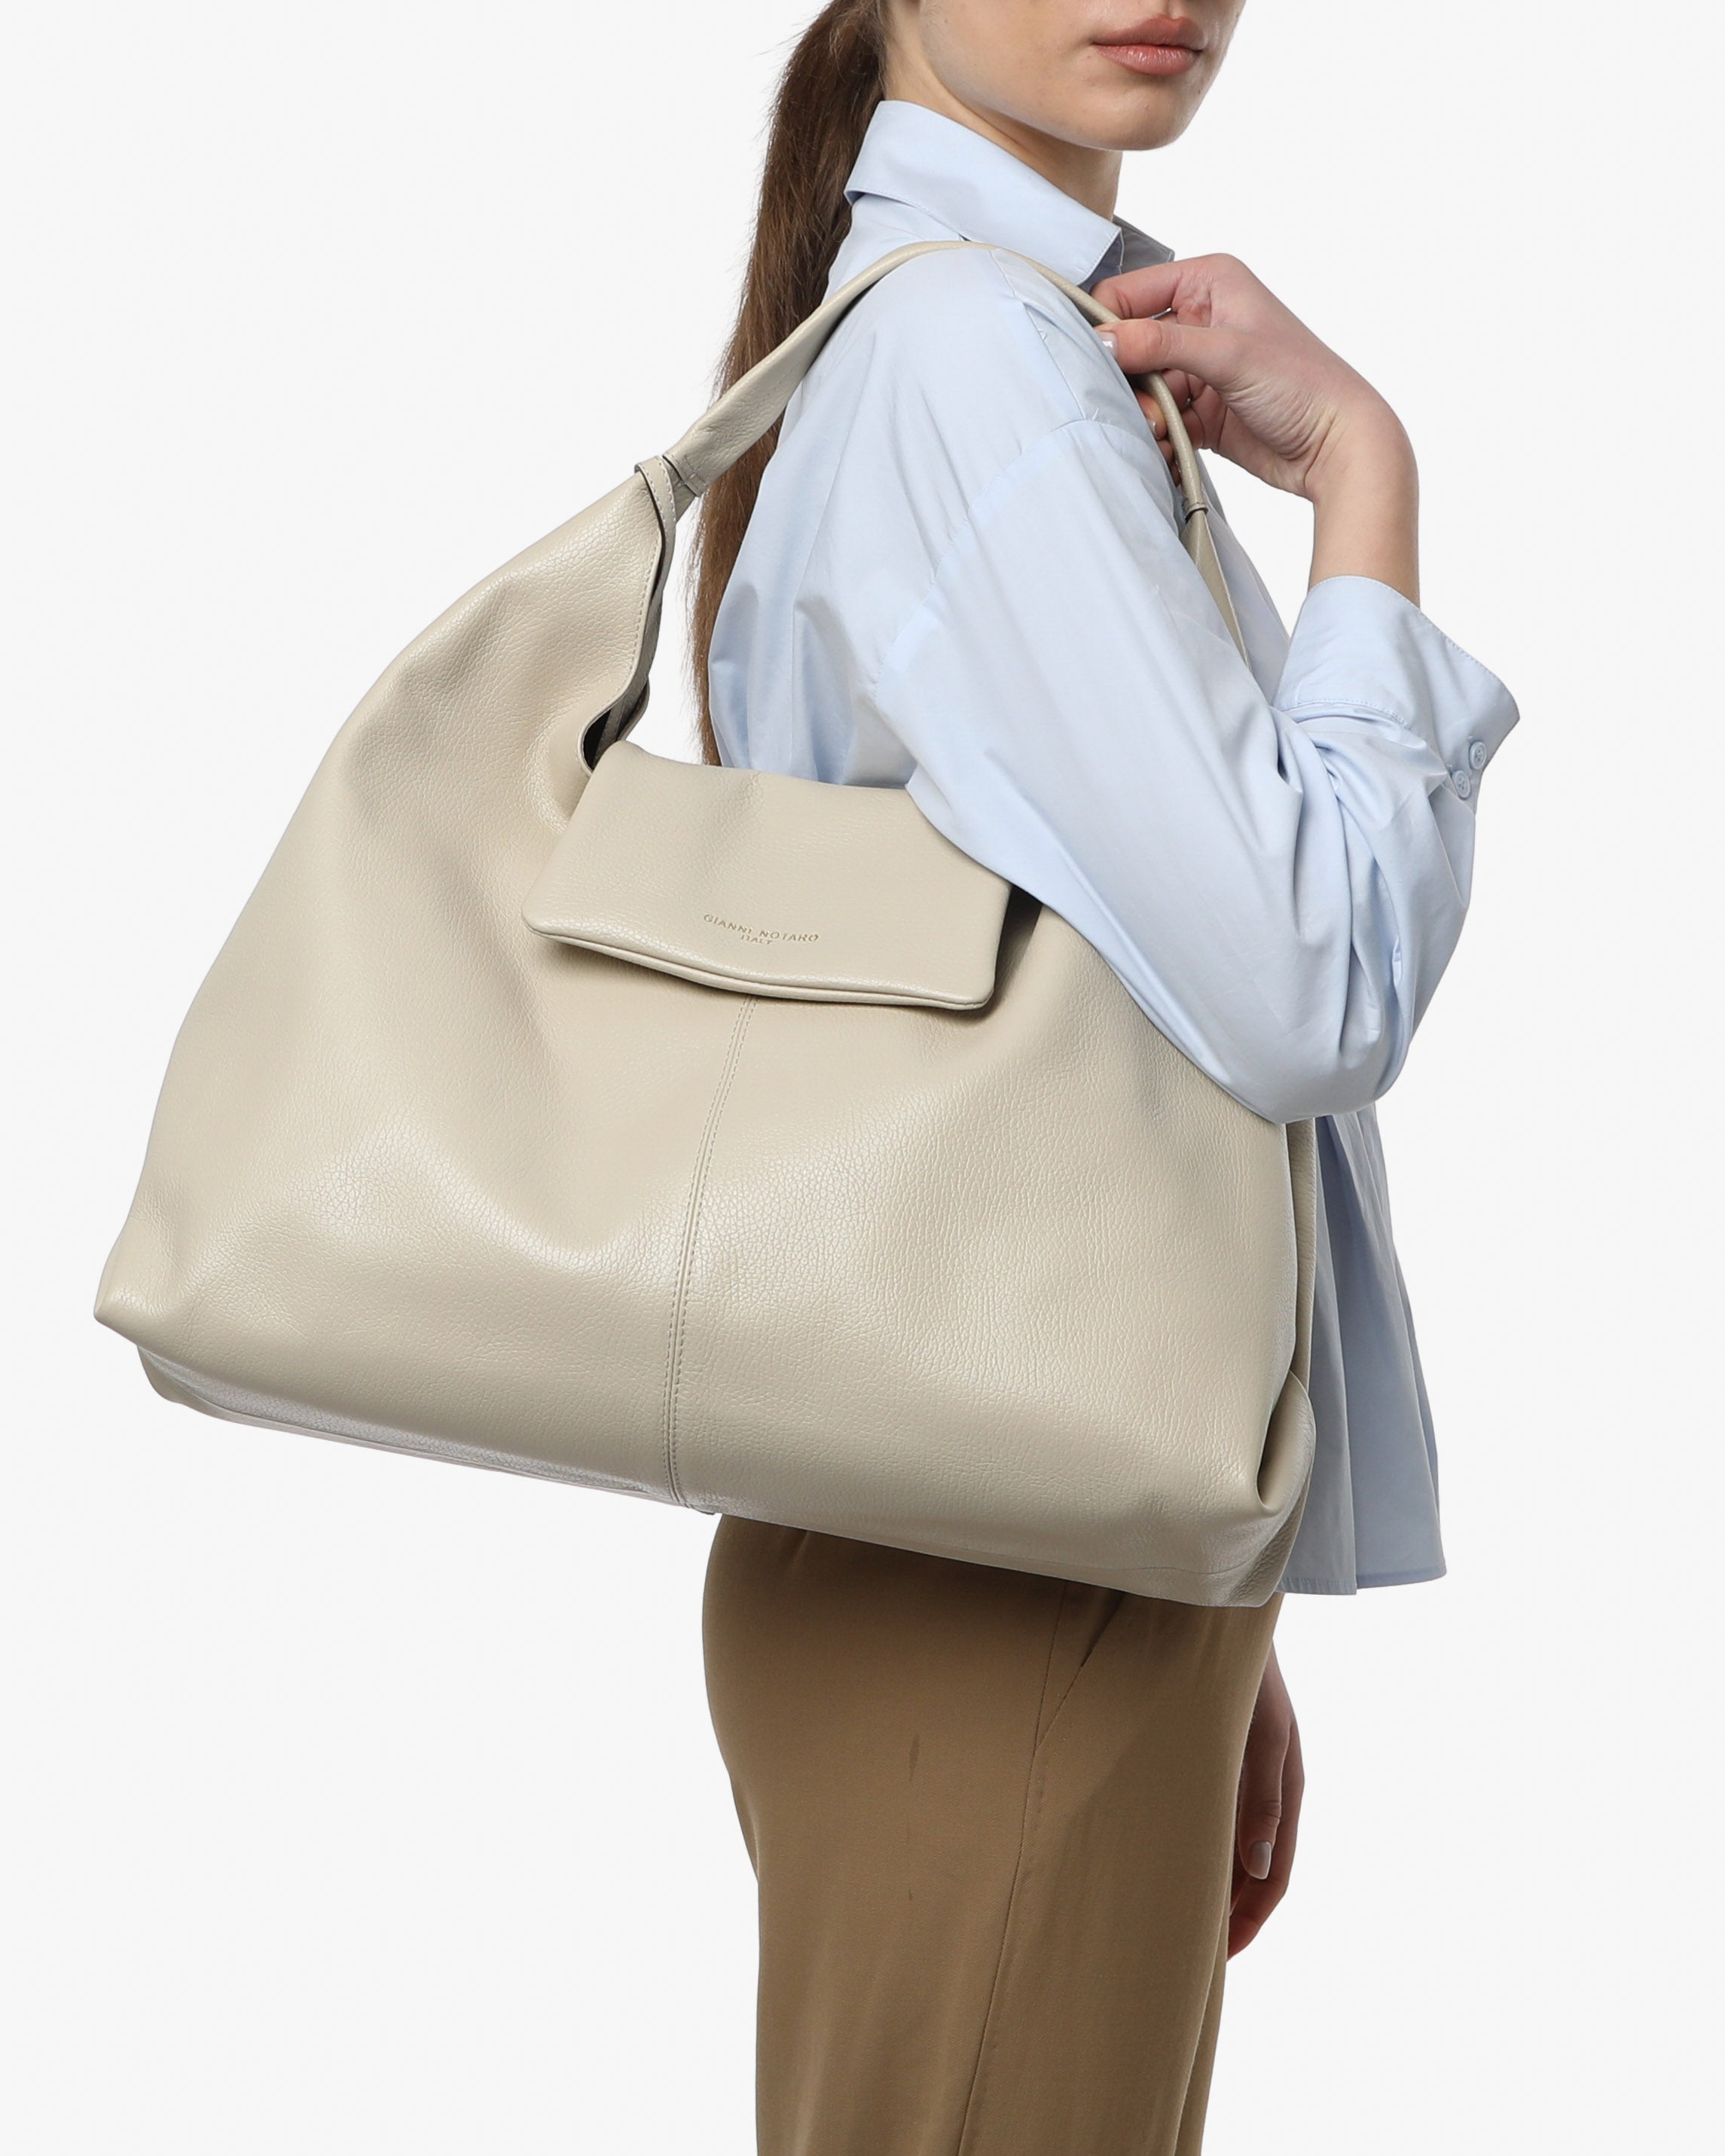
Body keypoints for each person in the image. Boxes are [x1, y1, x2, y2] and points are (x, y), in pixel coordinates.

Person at [692, 5, 1517, 2151]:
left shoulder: (980, 332)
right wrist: (1363, 474)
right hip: (996, 1596)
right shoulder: (977, 356)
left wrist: (1204, 1601)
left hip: (1004, 1539)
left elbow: (1099, 1023)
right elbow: (1307, 986)